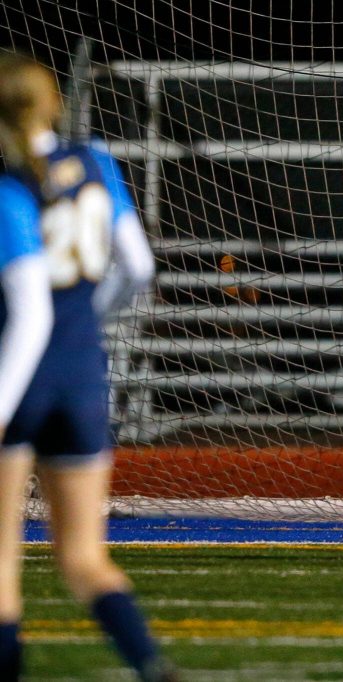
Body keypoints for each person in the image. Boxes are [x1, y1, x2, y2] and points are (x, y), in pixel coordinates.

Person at [0, 53, 176, 681]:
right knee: (85, 560)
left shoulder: (9, 182)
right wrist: (87, 319)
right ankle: (152, 667)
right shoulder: (97, 163)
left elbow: (27, 310)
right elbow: (140, 269)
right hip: (81, 374)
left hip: (17, 377)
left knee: (0, 570)